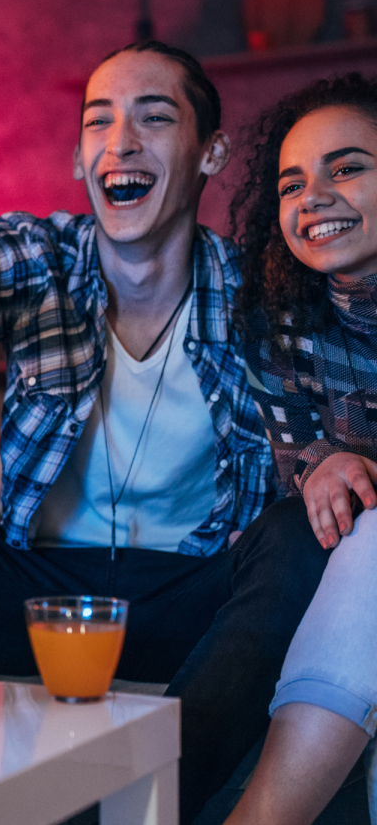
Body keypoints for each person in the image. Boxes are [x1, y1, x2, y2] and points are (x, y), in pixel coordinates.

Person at [0, 40, 330, 824]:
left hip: (193, 602)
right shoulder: (42, 258)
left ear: (210, 151)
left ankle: (154, 794)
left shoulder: (256, 290)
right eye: (99, 122)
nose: (121, 143)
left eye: (154, 117)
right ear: (80, 160)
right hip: (40, 597)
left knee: (299, 534)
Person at [222, 74, 377, 825]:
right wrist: (324, 464)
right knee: (312, 532)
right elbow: (296, 472)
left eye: (347, 167)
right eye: (292, 182)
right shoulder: (278, 320)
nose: (313, 195)